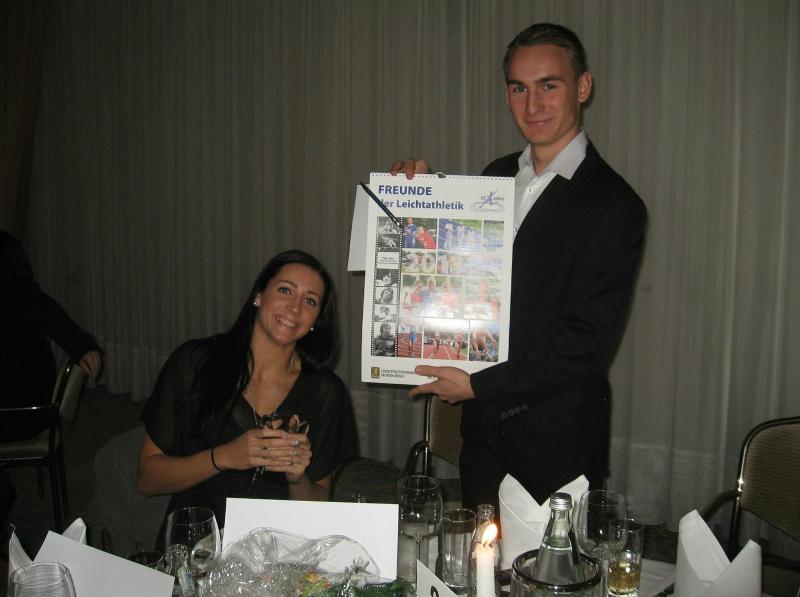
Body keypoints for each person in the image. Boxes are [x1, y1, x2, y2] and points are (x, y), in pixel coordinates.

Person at [393, 23, 647, 510]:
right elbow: (456, 279)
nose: (533, 106)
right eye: (519, 88)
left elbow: (585, 346)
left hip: (557, 442)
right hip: (484, 435)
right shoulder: (494, 176)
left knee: (548, 562)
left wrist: (478, 385)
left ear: (583, 87)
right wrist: (416, 199)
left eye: (549, 85)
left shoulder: (615, 205)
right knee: (482, 555)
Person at [137, 250, 357, 528]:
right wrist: (224, 456)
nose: (295, 307)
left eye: (310, 300)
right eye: (285, 290)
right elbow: (147, 480)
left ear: (316, 321)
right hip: (201, 538)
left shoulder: (325, 391)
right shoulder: (196, 363)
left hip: (277, 542)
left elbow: (317, 508)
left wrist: (297, 478)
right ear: (258, 295)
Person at [0, 231, 103, 541]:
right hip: (36, 409)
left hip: (20, 414)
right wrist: (85, 347)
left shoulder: (16, 299)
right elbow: (67, 328)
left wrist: (84, 347)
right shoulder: (29, 297)